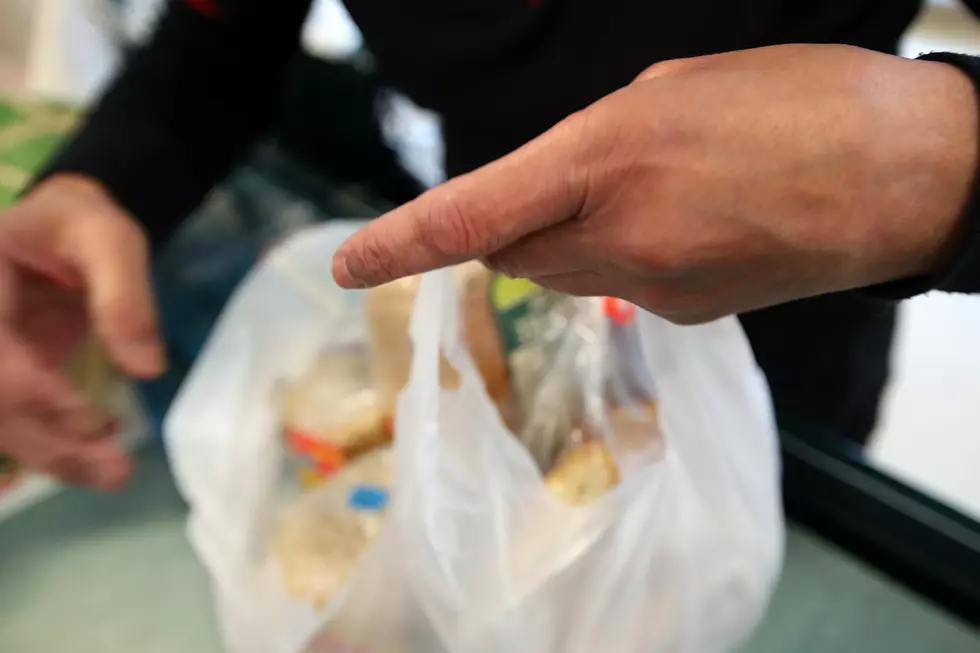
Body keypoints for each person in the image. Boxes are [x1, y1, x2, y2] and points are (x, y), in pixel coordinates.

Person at [2, 0, 979, 490]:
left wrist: (939, 164)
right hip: (492, 311)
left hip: (786, 322)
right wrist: (104, 181)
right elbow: (223, 40)